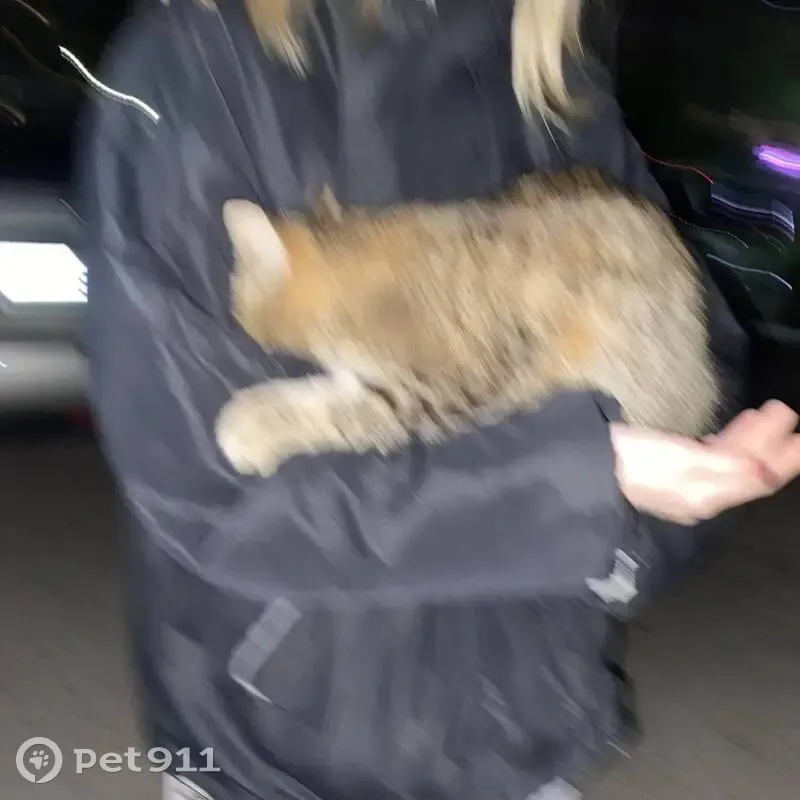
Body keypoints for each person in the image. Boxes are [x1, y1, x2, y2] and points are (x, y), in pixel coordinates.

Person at [79, 1, 800, 798]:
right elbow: (206, 488)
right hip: (277, 757)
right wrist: (579, 486)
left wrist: (639, 527)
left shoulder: (554, 81)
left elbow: (697, 368)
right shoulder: (200, 58)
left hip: (528, 744)